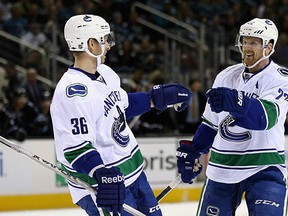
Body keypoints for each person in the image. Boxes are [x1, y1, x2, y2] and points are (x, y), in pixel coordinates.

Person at [50, 14, 192, 216]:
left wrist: (155, 98)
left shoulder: (106, 73)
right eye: (105, 39)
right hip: (106, 185)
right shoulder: (73, 92)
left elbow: (122, 105)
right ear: (91, 44)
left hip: (133, 173)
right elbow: (75, 148)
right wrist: (100, 172)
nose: (109, 45)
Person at [176, 18, 288, 216]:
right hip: (222, 167)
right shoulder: (225, 76)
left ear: (269, 46)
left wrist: (236, 100)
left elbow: (264, 119)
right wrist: (194, 150)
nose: (246, 47)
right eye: (244, 41)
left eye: (253, 42)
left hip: (264, 166)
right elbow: (210, 124)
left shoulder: (280, 78)